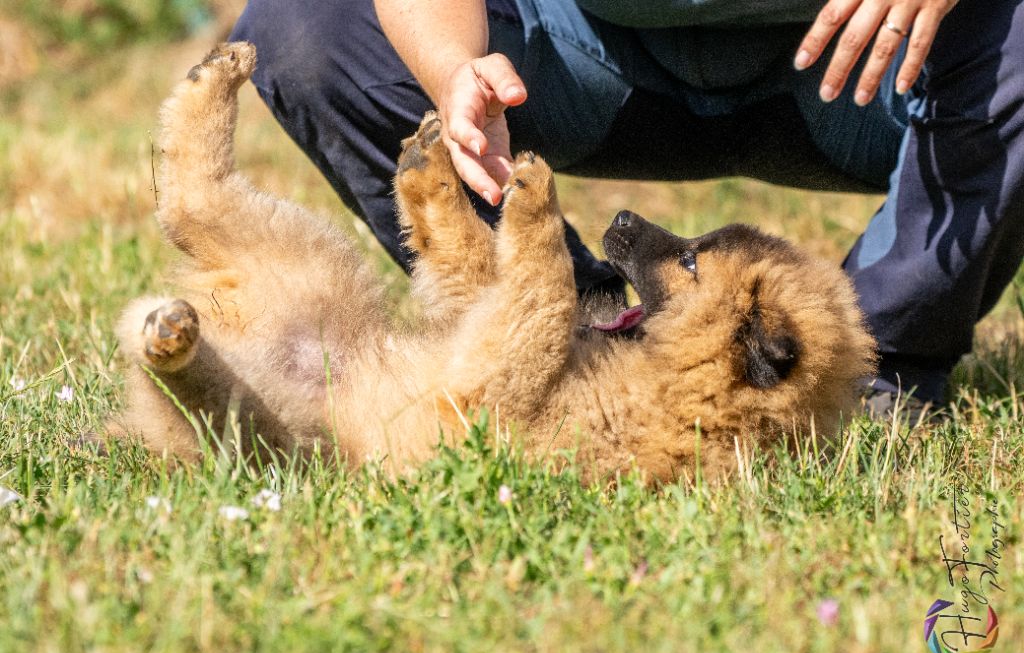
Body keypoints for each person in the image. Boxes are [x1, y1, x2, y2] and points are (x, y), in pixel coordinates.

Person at [229, 0, 1024, 407]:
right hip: (584, 53)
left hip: (875, 54)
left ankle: (875, 365)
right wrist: (449, 69)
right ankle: (562, 332)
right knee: (308, 25)